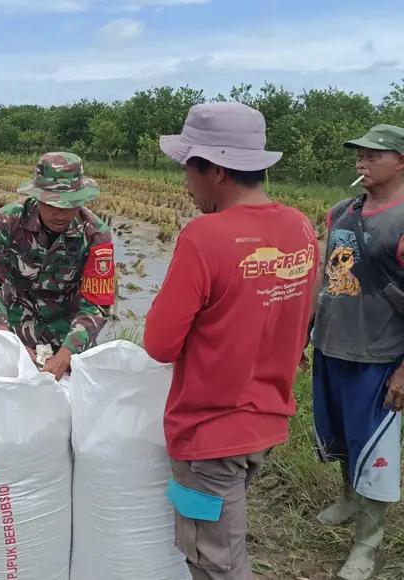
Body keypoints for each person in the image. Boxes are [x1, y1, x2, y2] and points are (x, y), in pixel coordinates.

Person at [143, 103, 319, 580]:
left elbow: (159, 344)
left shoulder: (205, 237)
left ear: (216, 170)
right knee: (226, 538)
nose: (185, 182)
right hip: (266, 420)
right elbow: (301, 316)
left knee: (214, 561)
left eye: (188, 168)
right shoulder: (301, 228)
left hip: (209, 436)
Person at [309, 124, 404, 580]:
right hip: (332, 347)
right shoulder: (339, 213)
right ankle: (348, 497)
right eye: (359, 155)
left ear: (400, 161)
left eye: (373, 155)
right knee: (343, 437)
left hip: (379, 356)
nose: (360, 162)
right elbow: (322, 280)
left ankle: (368, 544)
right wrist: (304, 334)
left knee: (376, 452)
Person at [0, 151, 114, 380]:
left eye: (69, 205)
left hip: (68, 332)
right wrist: (9, 342)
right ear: (37, 197)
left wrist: (67, 353)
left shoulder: (95, 234)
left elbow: (96, 304)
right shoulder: (9, 222)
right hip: (15, 324)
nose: (59, 214)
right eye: (50, 204)